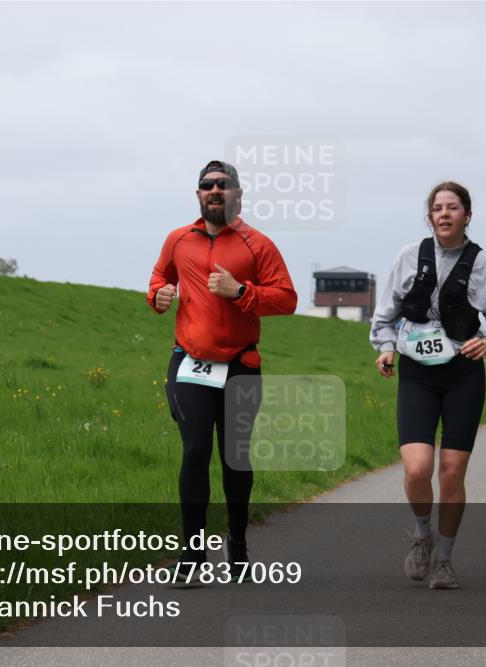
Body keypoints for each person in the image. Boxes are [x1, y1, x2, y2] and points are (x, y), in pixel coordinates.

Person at [370, 181, 486, 590]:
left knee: (452, 472)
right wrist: (386, 348)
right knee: (418, 468)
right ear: (429, 217)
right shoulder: (409, 257)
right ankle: (423, 534)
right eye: (436, 208)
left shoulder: (485, 265)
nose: (443, 214)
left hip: (462, 373)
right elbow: (383, 317)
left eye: (452, 208)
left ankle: (444, 559)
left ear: (467, 215)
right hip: (418, 373)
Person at [148, 160, 297, 579]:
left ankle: (238, 540)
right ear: (198, 195)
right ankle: (193, 555)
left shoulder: (257, 244)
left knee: (235, 458)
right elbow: (159, 278)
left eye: (223, 184)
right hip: (191, 363)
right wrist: (158, 296)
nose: (215, 190)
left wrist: (241, 292)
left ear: (238, 194)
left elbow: (286, 299)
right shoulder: (178, 240)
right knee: (195, 450)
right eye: (207, 185)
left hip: (240, 366)